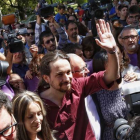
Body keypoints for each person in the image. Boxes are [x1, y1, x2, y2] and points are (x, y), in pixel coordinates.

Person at [38, 19, 119, 140]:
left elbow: (111, 76)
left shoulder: (78, 86)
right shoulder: (37, 104)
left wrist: (112, 51)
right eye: (59, 74)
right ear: (46, 78)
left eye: (69, 72)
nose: (67, 78)